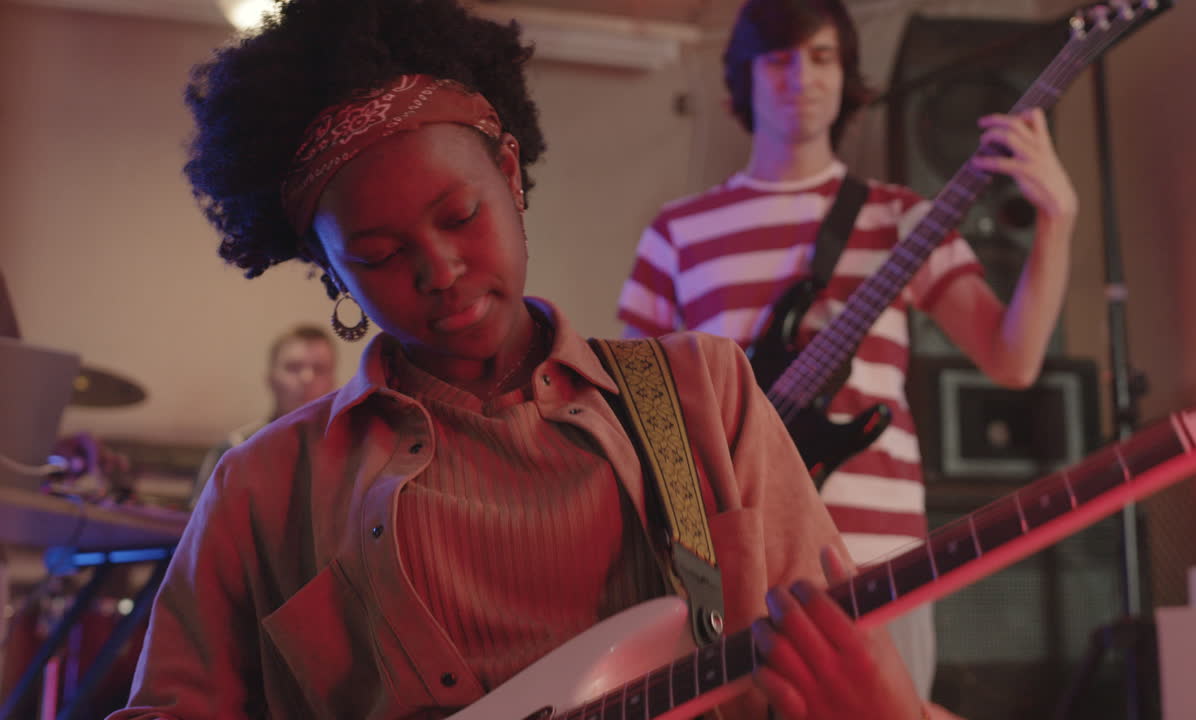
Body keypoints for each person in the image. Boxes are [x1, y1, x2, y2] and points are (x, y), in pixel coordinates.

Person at [108, 0, 935, 718]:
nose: (439, 269)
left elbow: (823, 674)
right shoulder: (261, 486)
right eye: (379, 253)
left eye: (460, 214)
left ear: (509, 173)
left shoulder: (702, 396)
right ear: (332, 273)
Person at [616, 0, 1078, 702]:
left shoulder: (901, 215)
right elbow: (636, 413)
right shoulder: (679, 232)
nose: (803, 76)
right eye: (780, 58)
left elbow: (1010, 360)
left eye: (823, 57)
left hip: (881, 562)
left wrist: (1057, 222)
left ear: (848, 76)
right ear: (742, 81)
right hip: (732, 560)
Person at [189, 323, 337, 507]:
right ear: (271, 379)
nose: (307, 378)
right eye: (293, 367)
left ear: (333, 382)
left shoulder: (349, 454)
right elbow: (199, 529)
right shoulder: (234, 451)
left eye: (320, 369)